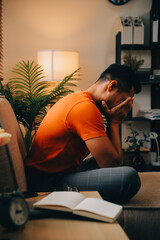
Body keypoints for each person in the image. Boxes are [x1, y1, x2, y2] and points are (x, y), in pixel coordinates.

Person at [25, 64, 141, 203]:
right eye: (124, 100)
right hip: (46, 182)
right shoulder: (84, 108)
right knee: (129, 177)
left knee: (113, 164)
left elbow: (115, 160)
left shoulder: (82, 100)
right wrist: (114, 122)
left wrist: (112, 121)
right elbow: (111, 165)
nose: (126, 107)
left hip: (65, 170)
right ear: (111, 87)